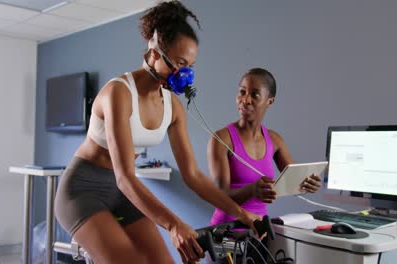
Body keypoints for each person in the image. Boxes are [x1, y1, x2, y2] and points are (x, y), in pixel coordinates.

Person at [54, 2, 260, 263]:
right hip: (83, 189)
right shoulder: (119, 93)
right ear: (153, 53)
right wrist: (174, 225)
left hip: (121, 192)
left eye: (190, 66)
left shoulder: (173, 107)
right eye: (179, 63)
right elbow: (125, 177)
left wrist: (240, 214)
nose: (184, 74)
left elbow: (193, 175)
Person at [208, 68, 322, 227]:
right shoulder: (221, 138)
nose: (245, 99)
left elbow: (295, 179)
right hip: (227, 230)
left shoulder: (275, 140)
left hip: (260, 230)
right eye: (242, 92)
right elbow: (221, 197)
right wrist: (252, 190)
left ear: (269, 101)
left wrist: (309, 184)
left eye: (254, 94)